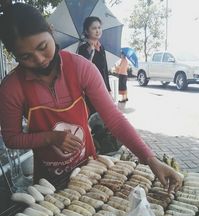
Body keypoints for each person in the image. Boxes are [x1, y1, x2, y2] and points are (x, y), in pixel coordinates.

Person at [0, 3, 182, 193]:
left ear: (50, 31)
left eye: (43, 47)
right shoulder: (12, 88)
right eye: (26, 56)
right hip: (47, 182)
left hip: (89, 171)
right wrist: (50, 138)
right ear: (13, 54)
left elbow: (114, 119)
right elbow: (11, 138)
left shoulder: (81, 68)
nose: (39, 59)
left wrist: (151, 160)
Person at [77, 16, 111, 115]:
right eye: (94, 28)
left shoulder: (101, 48)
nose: (97, 30)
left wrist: (108, 89)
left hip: (102, 87)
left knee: (104, 116)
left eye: (99, 27)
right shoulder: (83, 48)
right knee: (93, 116)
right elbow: (83, 71)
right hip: (90, 90)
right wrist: (90, 51)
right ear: (87, 31)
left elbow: (105, 70)